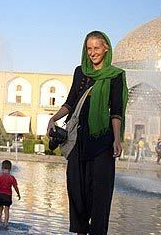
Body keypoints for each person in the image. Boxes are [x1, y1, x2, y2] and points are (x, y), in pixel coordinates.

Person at [47, 31, 128, 235]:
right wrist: (53, 118)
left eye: (96, 48)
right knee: (76, 190)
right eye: (89, 49)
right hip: (79, 141)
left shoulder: (116, 75)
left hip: (102, 141)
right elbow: (70, 102)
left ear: (106, 48)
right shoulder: (80, 72)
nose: (92, 53)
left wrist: (117, 139)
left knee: (100, 194)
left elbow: (116, 111)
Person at [0, 160, 21, 229]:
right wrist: (18, 194)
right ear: (10, 169)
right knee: (7, 209)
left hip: (0, 195)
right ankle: (5, 224)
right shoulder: (12, 178)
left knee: (0, 208)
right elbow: (15, 187)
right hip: (8, 196)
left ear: (2, 168)